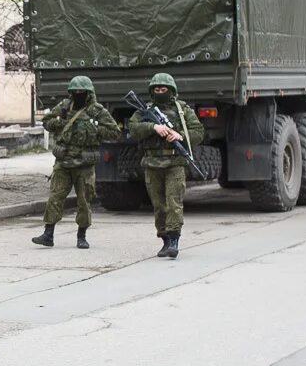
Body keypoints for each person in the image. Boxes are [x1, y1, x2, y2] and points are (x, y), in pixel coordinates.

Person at [32, 75, 120, 248]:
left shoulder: (97, 111)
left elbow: (114, 132)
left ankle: (82, 236)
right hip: (64, 161)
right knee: (55, 197)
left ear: (88, 92)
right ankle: (48, 234)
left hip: (84, 164)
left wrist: (95, 129)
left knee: (84, 200)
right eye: (75, 91)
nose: (78, 94)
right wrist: (60, 123)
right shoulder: (64, 106)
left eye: (82, 91)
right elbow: (46, 122)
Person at [129, 73, 204, 257]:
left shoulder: (182, 110)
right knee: (159, 205)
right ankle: (164, 239)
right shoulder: (145, 111)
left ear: (171, 91)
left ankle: (174, 240)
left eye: (163, 89)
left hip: (175, 163)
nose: (160, 92)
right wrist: (153, 127)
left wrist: (181, 136)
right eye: (156, 89)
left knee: (174, 202)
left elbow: (198, 132)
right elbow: (133, 128)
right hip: (152, 164)